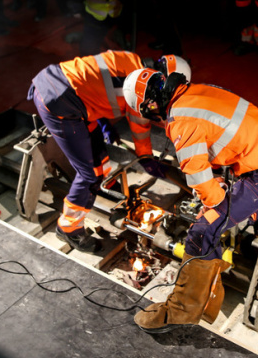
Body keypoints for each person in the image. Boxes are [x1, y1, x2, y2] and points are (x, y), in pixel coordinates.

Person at [123, 67, 258, 333]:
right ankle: (256, 242)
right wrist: (219, 184)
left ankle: (181, 311)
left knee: (203, 230)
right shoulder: (197, 90)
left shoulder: (180, 121)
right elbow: (221, 135)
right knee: (234, 208)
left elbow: (198, 178)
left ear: (150, 106)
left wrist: (213, 204)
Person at [27, 51, 189, 250]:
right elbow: (140, 128)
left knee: (101, 164)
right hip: (60, 103)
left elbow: (93, 85)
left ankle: (95, 192)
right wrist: (146, 158)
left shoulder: (129, 61)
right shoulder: (144, 88)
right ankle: (68, 228)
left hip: (67, 93)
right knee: (90, 174)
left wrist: (103, 121)